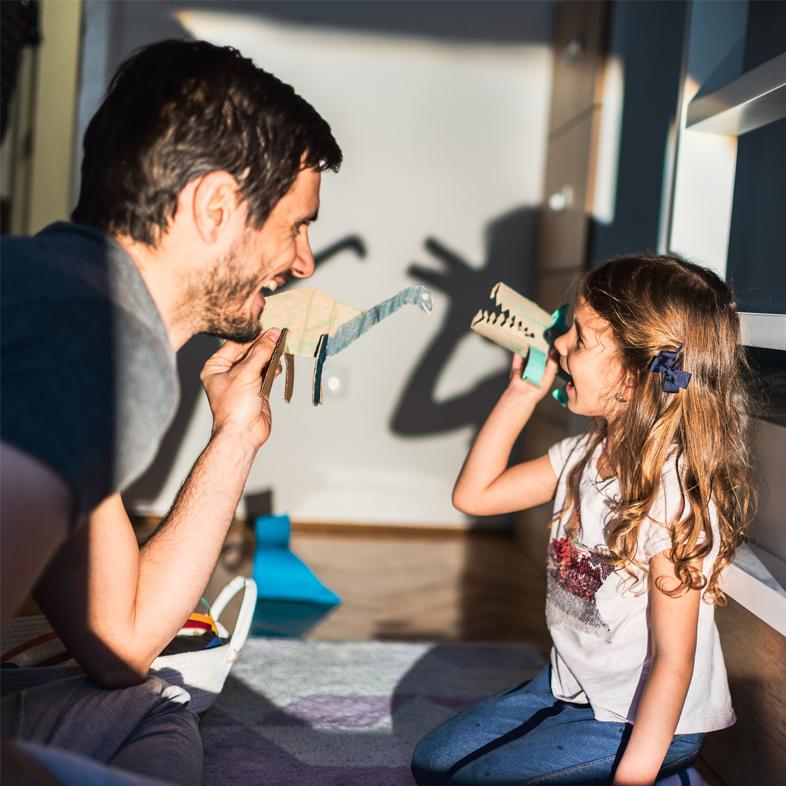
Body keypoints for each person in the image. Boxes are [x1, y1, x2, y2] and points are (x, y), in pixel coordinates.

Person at [1, 39, 341, 784]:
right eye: (297, 224)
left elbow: (120, 641)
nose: (305, 262)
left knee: (151, 702)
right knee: (161, 716)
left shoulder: (51, 297)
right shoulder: (97, 346)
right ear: (215, 206)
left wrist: (237, 434)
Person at [411, 254, 755, 786]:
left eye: (579, 336)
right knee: (433, 764)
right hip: (568, 688)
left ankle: (667, 775)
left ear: (635, 376)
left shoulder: (673, 495)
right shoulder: (580, 455)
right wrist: (520, 393)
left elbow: (673, 661)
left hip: (650, 716)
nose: (560, 345)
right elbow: (473, 496)